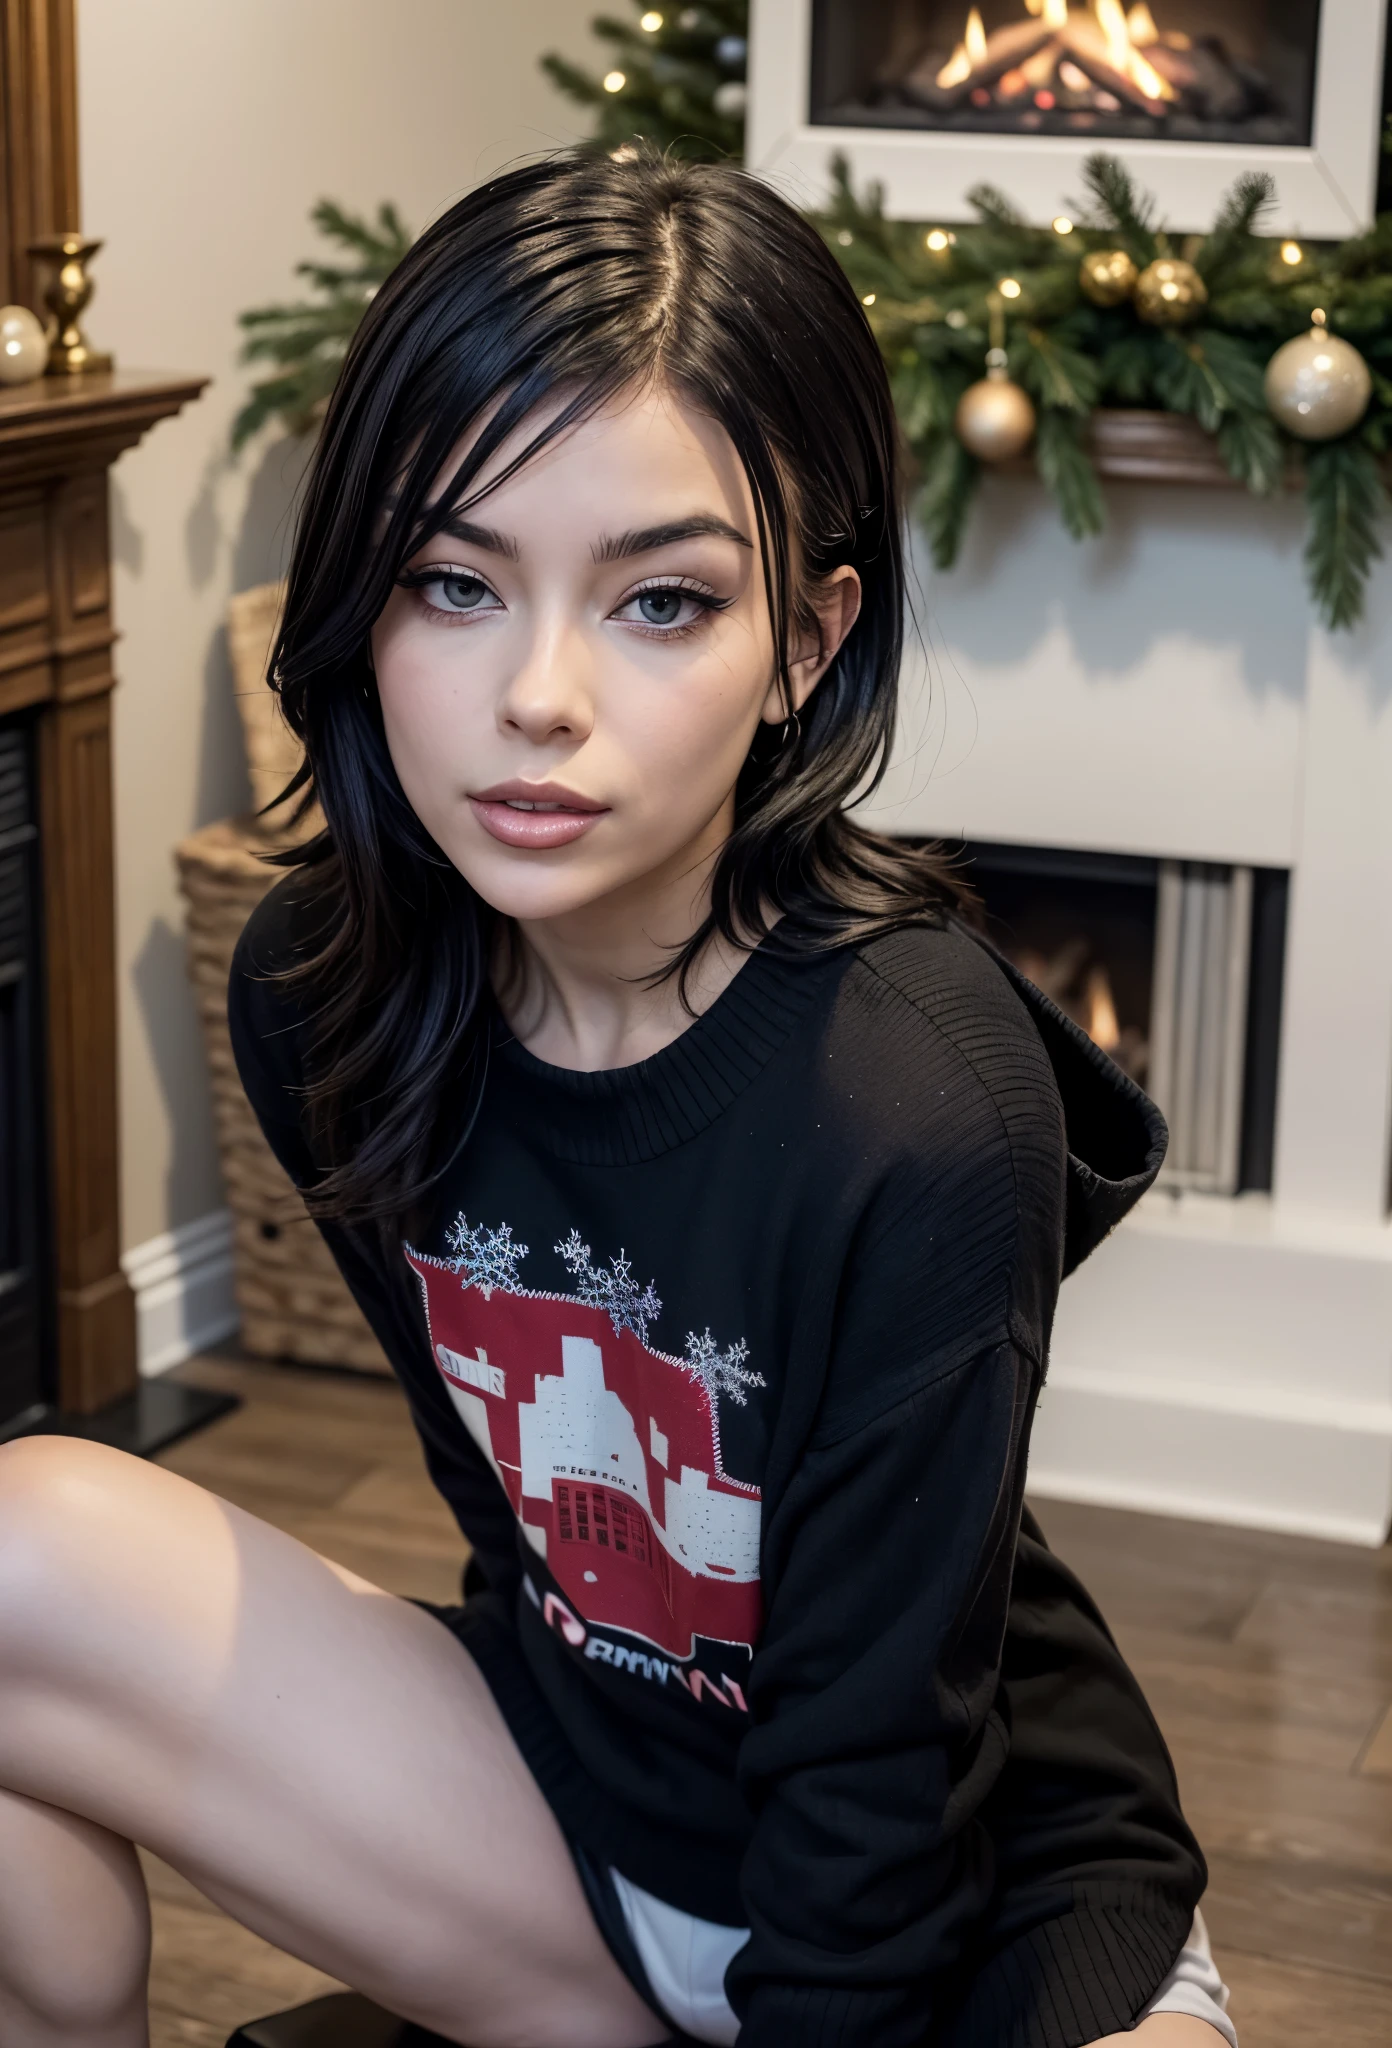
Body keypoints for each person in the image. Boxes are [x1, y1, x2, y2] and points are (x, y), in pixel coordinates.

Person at [0, 152, 1237, 2048]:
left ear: (806, 648)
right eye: (454, 582)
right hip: (602, 1827)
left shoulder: (919, 1097)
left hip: (968, 1923)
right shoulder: (323, 1002)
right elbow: (530, 1550)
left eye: (660, 603)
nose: (539, 697)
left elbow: (883, 1790)